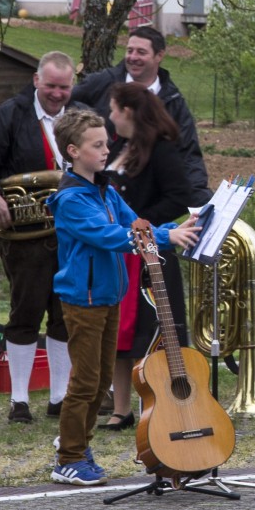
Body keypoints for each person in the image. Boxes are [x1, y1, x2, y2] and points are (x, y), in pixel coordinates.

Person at [46, 109, 198, 486]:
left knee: (100, 383)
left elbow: (136, 225)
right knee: (86, 382)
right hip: (83, 301)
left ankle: (78, 444)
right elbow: (109, 236)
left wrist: (174, 229)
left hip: (109, 296)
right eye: (97, 145)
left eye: (106, 143)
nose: (106, 150)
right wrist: (166, 237)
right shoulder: (71, 199)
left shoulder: (107, 191)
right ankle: (68, 457)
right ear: (73, 151)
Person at [0, 50, 79, 423]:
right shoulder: (9, 115)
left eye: (64, 87)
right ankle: (19, 399)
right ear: (36, 81)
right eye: (51, 86)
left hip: (73, 234)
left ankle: (59, 397)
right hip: (25, 236)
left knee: (64, 314)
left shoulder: (81, 117)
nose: (57, 94)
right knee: (25, 312)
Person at [102, 82, 196, 431]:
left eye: (113, 109)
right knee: (122, 335)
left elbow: (178, 197)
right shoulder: (119, 147)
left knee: (150, 333)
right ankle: (121, 408)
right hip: (122, 250)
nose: (110, 116)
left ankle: (156, 405)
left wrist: (141, 222)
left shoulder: (161, 149)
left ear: (127, 111)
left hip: (151, 253)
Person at [70, 24, 210, 202]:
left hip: (145, 201)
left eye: (141, 52)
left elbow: (189, 152)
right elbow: (66, 101)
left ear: (159, 56)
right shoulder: (104, 82)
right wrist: (90, 122)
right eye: (130, 50)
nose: (133, 57)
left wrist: (200, 196)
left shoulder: (173, 101)